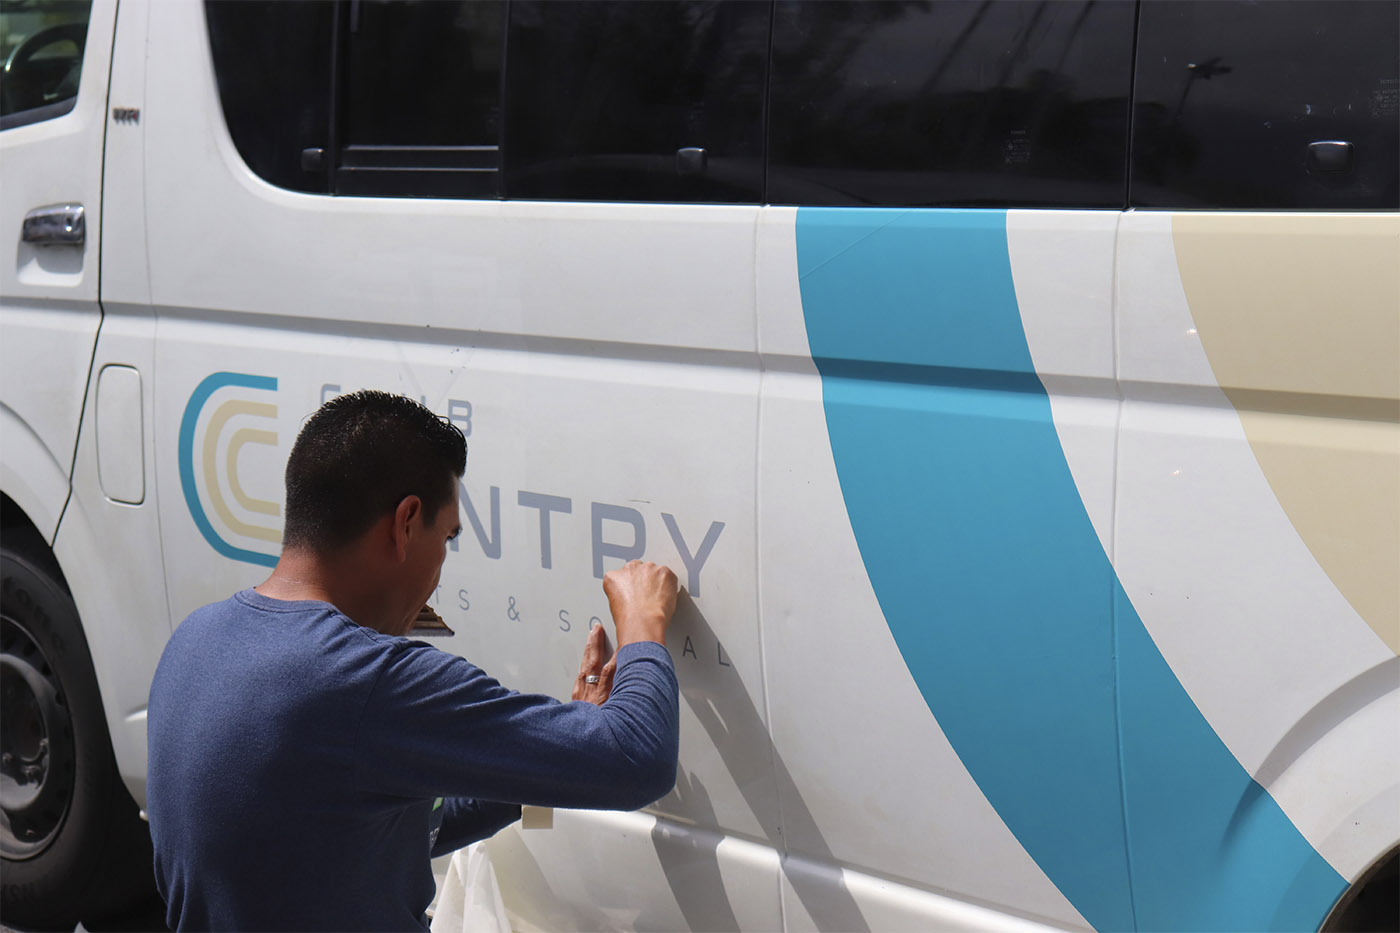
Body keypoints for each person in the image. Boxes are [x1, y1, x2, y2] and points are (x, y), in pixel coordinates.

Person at [147, 390, 680, 932]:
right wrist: (642, 621)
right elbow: (639, 761)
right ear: (405, 523)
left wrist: (544, 763)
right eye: (446, 537)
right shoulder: (368, 680)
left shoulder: (195, 642)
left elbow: (380, 833)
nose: (439, 573)